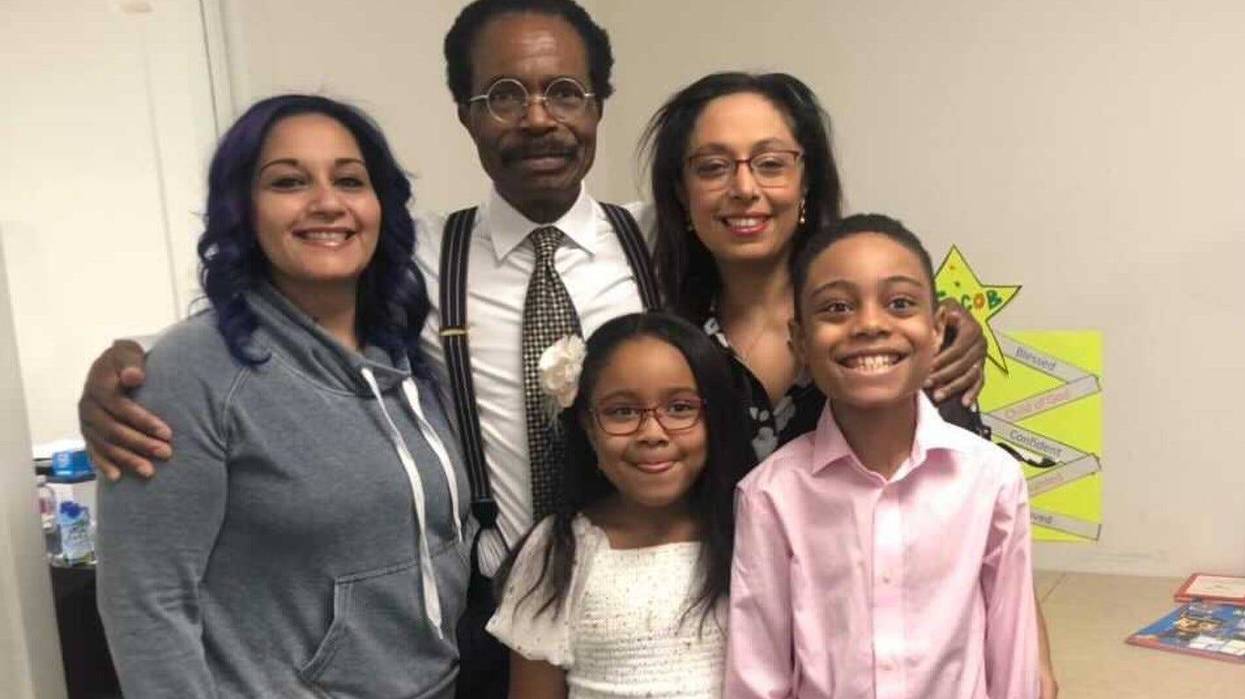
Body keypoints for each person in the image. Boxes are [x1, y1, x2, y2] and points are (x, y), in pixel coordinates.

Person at [642, 72, 1058, 696]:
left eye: (771, 163)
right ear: (681, 193)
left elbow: (978, 544)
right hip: (696, 652)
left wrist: (1030, 667)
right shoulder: (666, 353)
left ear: (807, 180)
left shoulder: (899, 349)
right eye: (713, 167)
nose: (745, 188)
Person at [95, 95, 471, 698]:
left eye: (349, 180)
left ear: (380, 205)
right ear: (242, 209)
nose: (327, 202)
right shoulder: (191, 372)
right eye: (289, 182)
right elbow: (146, 600)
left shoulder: (409, 357)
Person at [726, 214, 1040, 698]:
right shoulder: (769, 496)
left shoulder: (991, 479)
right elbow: (758, 675)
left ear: (937, 330)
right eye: (836, 307)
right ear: (800, 342)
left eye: (899, 303)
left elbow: (1014, 657)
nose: (870, 324)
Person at [487, 312, 753, 698]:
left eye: (680, 407)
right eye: (622, 412)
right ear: (588, 426)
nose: (652, 433)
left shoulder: (752, 533)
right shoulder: (559, 551)